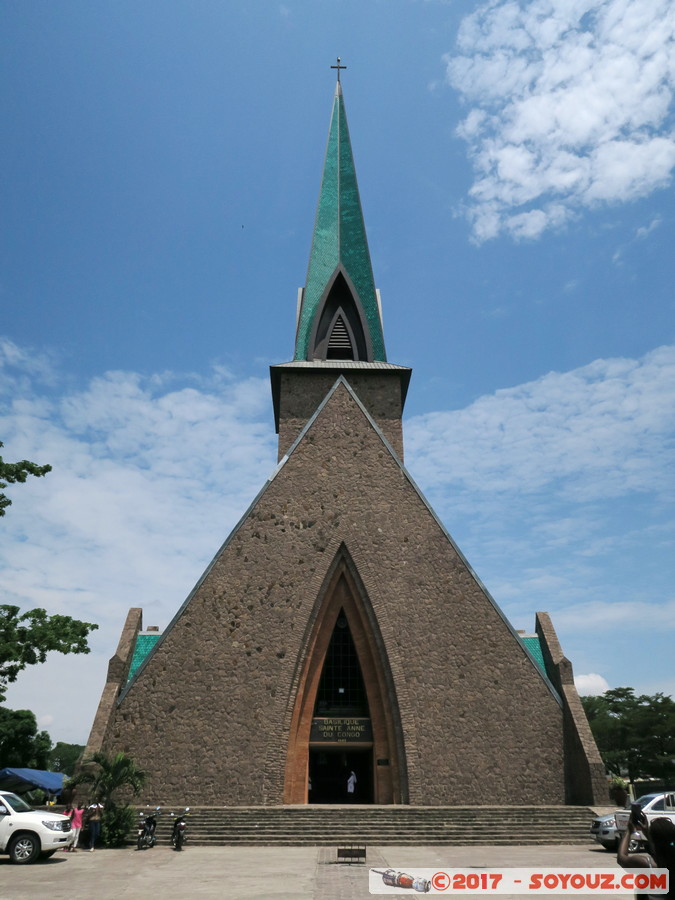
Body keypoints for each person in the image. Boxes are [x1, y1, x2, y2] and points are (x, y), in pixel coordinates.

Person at [617, 808, 675, 899]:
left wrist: (628, 831)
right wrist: (647, 833)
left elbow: (621, 858)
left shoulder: (647, 864)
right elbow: (662, 848)